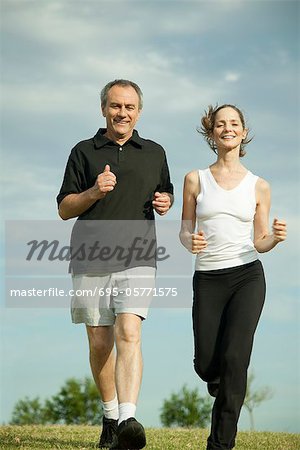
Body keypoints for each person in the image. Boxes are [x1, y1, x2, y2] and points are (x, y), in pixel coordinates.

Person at [57, 79, 173, 449]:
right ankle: (110, 416)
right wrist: (94, 190)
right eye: (115, 106)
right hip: (90, 255)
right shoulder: (83, 151)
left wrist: (165, 201)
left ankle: (127, 417)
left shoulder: (155, 152)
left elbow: (165, 190)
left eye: (129, 107)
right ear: (104, 109)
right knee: (99, 340)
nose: (122, 113)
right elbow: (63, 209)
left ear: (139, 111)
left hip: (139, 255)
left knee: (129, 332)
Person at [179, 104, 287, 450]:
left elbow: (260, 240)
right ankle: (217, 380)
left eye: (234, 123)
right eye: (220, 124)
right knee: (207, 363)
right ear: (211, 133)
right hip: (208, 278)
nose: (228, 128)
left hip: (247, 277)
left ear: (243, 132)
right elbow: (184, 230)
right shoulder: (195, 179)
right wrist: (190, 241)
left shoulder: (260, 186)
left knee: (236, 359)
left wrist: (275, 237)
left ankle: (221, 442)